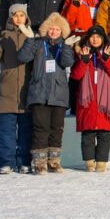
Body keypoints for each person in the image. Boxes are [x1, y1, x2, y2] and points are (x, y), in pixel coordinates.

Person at [17, 12, 76, 174]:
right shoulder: (37, 43)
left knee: (56, 129)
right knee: (40, 128)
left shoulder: (64, 45)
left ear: (62, 31)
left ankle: (54, 161)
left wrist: (66, 47)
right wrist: (29, 40)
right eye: (51, 29)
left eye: (57, 29)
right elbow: (23, 56)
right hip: (39, 93)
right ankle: (40, 161)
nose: (54, 32)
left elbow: (67, 62)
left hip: (59, 94)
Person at [0, 4, 33, 174]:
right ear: (10, 17)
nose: (18, 18)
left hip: (27, 91)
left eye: (22, 15)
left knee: (26, 132)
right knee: (6, 131)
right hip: (7, 90)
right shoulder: (3, 35)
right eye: (15, 15)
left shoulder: (32, 35)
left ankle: (24, 161)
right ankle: (7, 162)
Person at [70, 25, 110, 172]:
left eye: (98, 37)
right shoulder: (82, 53)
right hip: (87, 101)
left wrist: (106, 59)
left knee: (104, 134)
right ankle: (89, 161)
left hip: (104, 101)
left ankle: (101, 162)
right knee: (88, 134)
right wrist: (84, 61)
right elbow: (75, 75)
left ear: (103, 39)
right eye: (92, 37)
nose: (95, 39)